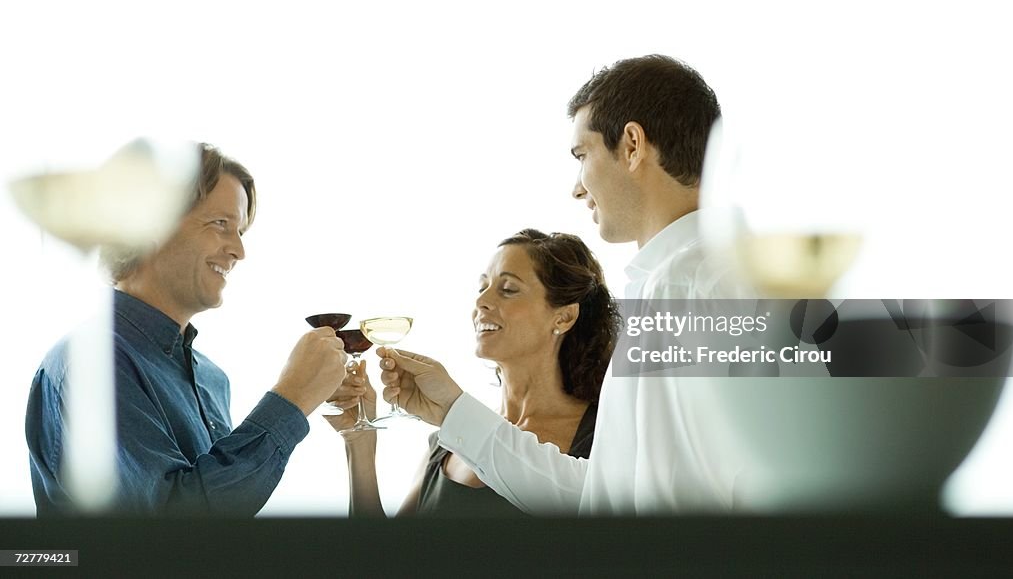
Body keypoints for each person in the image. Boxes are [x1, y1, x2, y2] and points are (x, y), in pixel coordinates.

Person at [378, 54, 749, 515]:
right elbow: (606, 496)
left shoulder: (683, 284)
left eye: (582, 155)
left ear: (632, 145)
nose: (577, 187)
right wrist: (452, 411)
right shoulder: (739, 275)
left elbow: (661, 518)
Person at [26, 142, 349, 515]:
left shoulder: (213, 379)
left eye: (240, 230)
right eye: (221, 224)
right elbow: (177, 526)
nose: (239, 251)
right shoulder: (91, 363)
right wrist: (293, 397)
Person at [330, 229, 619, 517]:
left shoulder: (602, 436)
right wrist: (359, 441)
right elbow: (386, 560)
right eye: (483, 287)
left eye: (508, 289)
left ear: (564, 316)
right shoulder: (447, 440)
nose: (482, 301)